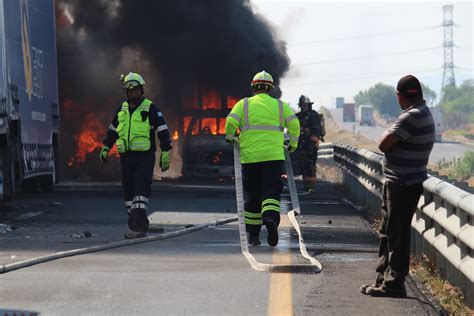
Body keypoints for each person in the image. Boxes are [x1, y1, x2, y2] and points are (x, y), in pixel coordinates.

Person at [361, 75, 434, 297]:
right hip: (402, 182)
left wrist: (390, 135)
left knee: (397, 234)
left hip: (402, 184)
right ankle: (383, 279)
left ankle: (394, 284)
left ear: (400, 96)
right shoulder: (422, 113)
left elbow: (383, 144)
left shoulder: (411, 117)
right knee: (389, 232)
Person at [225, 70, 300, 247]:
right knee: (271, 192)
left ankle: (253, 235)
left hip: (250, 158)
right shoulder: (280, 106)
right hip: (274, 158)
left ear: (253, 88)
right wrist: (294, 143)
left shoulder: (243, 104)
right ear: (270, 89)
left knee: (252, 195)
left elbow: (230, 123)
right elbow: (295, 124)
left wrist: (230, 137)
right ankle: (271, 220)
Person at [99, 72, 172, 239]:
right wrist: (105, 147)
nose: (133, 93)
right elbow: (113, 130)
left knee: (140, 190)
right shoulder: (122, 109)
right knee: (128, 194)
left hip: (144, 157)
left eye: (136, 89)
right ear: (126, 92)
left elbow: (162, 130)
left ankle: (139, 227)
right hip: (126, 157)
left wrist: (165, 151)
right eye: (129, 90)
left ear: (141, 90)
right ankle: (135, 224)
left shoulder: (151, 108)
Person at [295, 95, 325, 193]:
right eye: (302, 106)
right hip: (301, 145)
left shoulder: (313, 115)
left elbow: (317, 130)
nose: (303, 107)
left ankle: (311, 187)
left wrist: (311, 141)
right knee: (303, 166)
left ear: (308, 105)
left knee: (310, 166)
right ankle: (306, 186)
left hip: (311, 146)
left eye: (305, 105)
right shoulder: (298, 116)